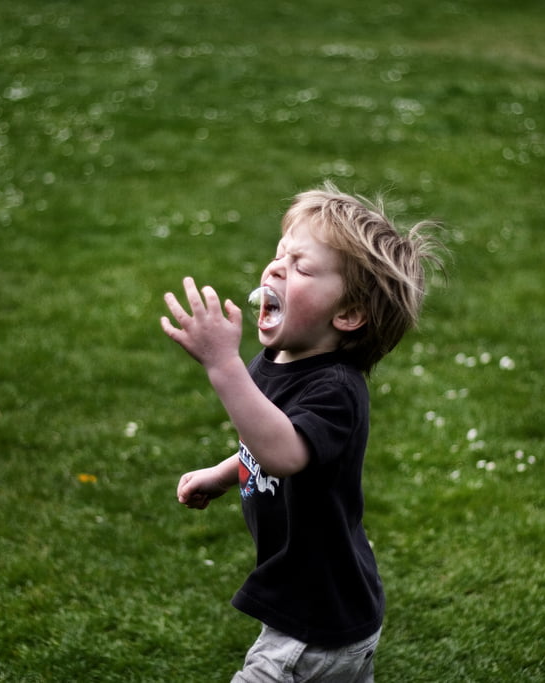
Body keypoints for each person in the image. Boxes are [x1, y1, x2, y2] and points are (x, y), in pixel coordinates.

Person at [160, 182, 442, 682]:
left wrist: (222, 365)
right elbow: (268, 441)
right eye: (279, 254)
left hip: (315, 621)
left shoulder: (337, 389)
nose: (275, 268)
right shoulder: (275, 359)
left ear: (347, 314)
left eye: (302, 267)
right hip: (322, 601)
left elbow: (286, 454)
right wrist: (223, 474)